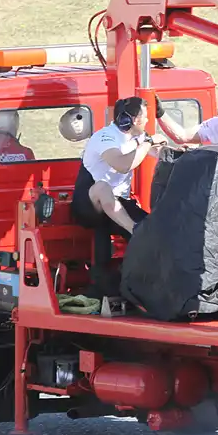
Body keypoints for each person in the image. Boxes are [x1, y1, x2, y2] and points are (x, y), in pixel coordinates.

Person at [70, 96, 167, 294]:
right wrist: (148, 143)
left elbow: (157, 152)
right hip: (88, 204)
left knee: (153, 230)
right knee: (103, 187)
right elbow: (123, 165)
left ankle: (144, 278)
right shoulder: (105, 137)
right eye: (145, 117)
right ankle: (135, 230)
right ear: (131, 120)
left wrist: (181, 153)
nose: (148, 121)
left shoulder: (138, 137)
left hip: (117, 203)